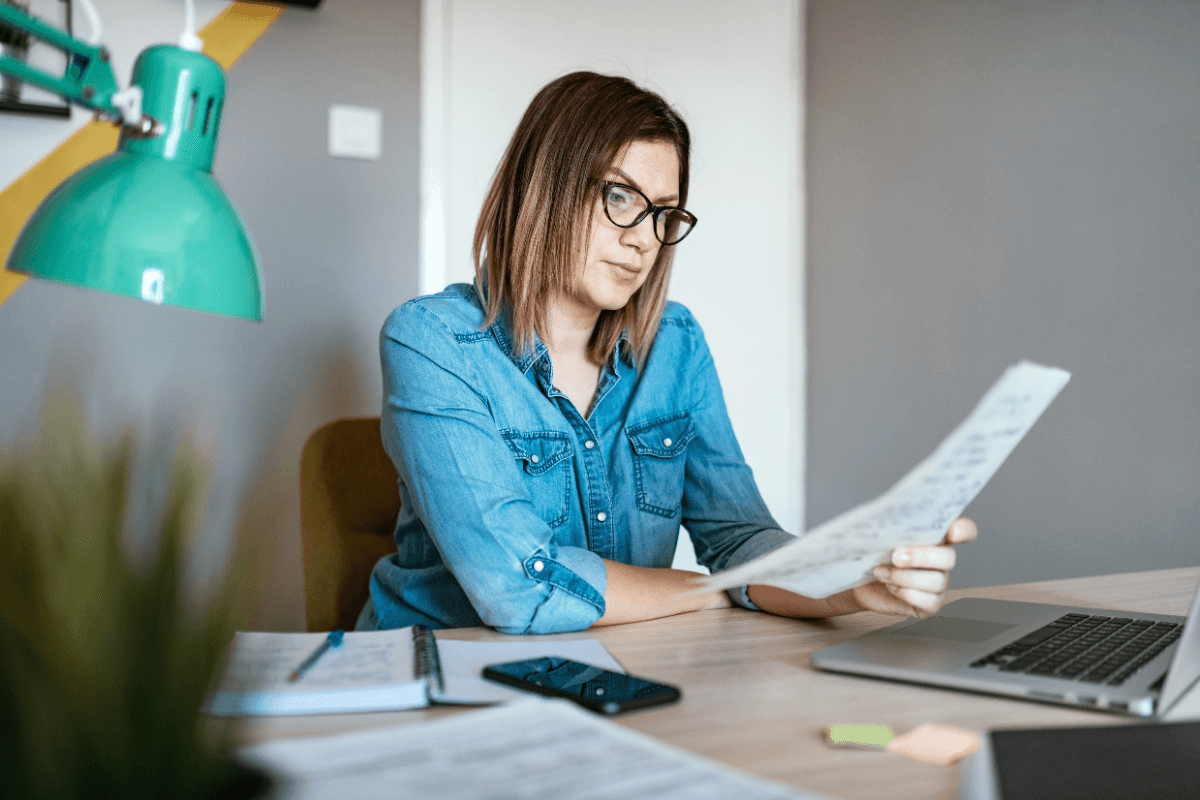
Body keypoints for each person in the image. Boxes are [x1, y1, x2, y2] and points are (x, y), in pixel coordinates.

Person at [358, 72, 977, 635]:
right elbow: (520, 587)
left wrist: (850, 581)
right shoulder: (432, 340)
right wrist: (710, 593)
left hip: (619, 665)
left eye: (663, 214)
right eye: (620, 197)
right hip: (435, 675)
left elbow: (738, 538)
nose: (642, 240)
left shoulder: (675, 343)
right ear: (544, 188)